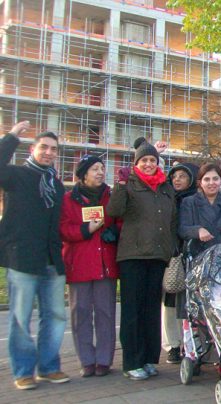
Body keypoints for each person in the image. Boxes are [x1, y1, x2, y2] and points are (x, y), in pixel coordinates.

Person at [0, 121, 70, 390]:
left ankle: (49, 367)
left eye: (54, 149)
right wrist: (10, 138)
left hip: (51, 257)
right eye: (44, 147)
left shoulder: (55, 182)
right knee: (20, 317)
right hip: (22, 257)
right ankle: (23, 370)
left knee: (54, 315)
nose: (49, 152)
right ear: (32, 148)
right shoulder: (16, 175)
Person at [106, 138, 177, 381]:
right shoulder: (129, 183)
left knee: (150, 311)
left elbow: (172, 219)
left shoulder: (165, 186)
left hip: (157, 255)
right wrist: (120, 185)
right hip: (133, 255)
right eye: (144, 160)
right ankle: (132, 361)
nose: (148, 164)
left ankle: (148, 358)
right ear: (137, 163)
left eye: (152, 160)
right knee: (133, 311)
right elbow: (114, 210)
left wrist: (171, 248)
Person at [59, 155, 119, 378]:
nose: (100, 172)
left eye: (102, 169)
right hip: (79, 264)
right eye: (95, 169)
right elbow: (63, 229)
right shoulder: (68, 199)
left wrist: (115, 231)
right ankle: (86, 360)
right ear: (83, 174)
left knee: (105, 312)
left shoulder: (110, 196)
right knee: (80, 313)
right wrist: (86, 230)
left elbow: (120, 220)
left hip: (105, 263)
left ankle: (104, 360)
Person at [162, 162, 199, 364]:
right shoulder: (167, 199)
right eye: (174, 176)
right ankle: (172, 345)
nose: (177, 179)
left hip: (192, 254)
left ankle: (189, 344)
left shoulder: (195, 200)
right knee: (170, 300)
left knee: (189, 302)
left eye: (182, 176)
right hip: (172, 256)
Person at [178, 163, 221, 255]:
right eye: (207, 179)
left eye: (215, 179)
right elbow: (182, 230)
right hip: (198, 257)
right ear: (200, 183)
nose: (211, 183)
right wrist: (198, 231)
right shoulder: (189, 202)